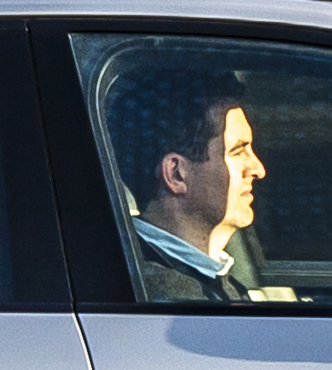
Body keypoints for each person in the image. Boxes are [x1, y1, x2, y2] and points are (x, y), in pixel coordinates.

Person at [104, 51, 274, 303]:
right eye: (237, 151)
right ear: (176, 174)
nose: (258, 169)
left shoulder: (205, 280)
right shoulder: (164, 297)